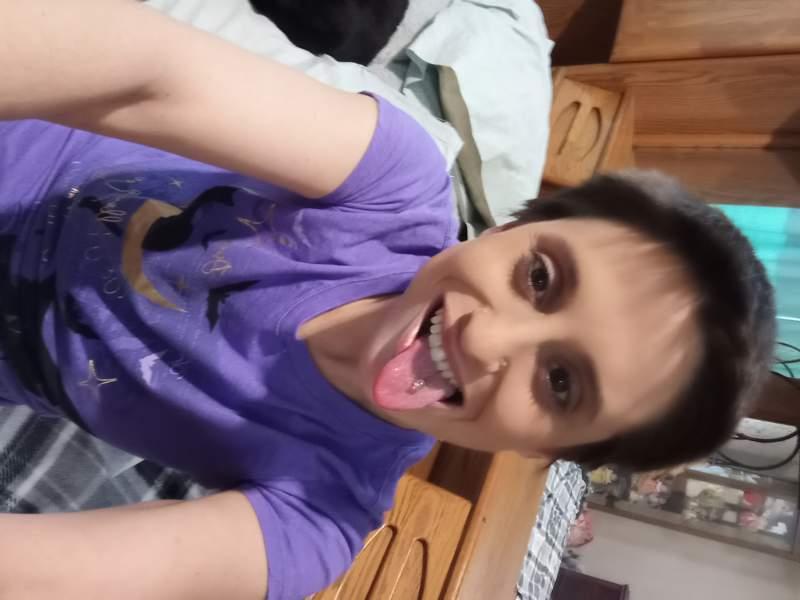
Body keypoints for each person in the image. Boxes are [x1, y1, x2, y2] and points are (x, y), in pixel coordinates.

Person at [0, 1, 775, 599]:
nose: (489, 339)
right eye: (539, 278)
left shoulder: (321, 516)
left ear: (549, 454)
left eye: (562, 382)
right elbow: (149, 73)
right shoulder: (391, 182)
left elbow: (53, 576)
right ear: (512, 227)